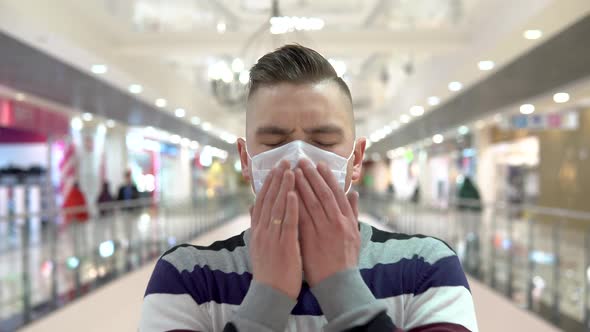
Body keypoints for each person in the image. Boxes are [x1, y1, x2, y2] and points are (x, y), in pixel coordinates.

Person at [140, 45, 477, 332]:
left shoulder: (426, 267)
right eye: (274, 141)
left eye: (323, 140)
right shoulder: (187, 277)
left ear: (356, 158)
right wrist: (267, 298)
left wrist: (341, 288)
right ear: (246, 158)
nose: (299, 158)